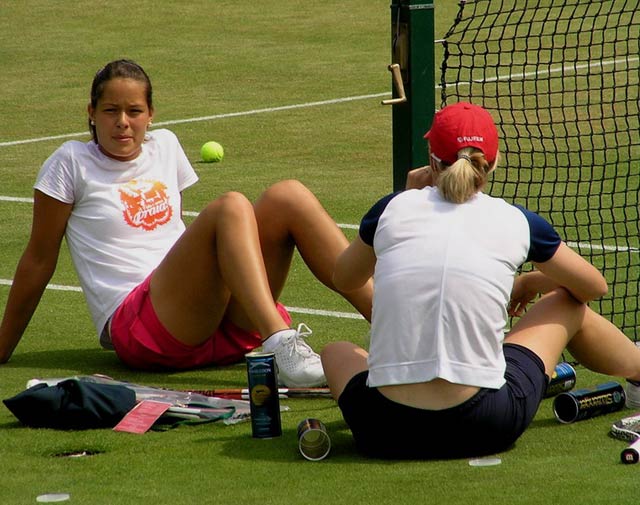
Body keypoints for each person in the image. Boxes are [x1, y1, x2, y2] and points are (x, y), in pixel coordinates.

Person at [0, 59, 372, 388]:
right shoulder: (70, 162)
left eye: (134, 111)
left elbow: (186, 243)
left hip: (214, 325)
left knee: (287, 195)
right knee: (231, 206)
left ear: (151, 114)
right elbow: (38, 260)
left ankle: (397, 322)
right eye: (111, 110)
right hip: (142, 330)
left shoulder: (166, 146)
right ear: (91, 112)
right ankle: (279, 342)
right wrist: (2, 347)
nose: (123, 123)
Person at [320, 101, 640, 459]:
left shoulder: (390, 209)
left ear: (431, 158)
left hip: (384, 430)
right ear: (493, 160)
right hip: (486, 424)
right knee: (566, 302)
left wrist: (404, 198)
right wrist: (536, 281)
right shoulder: (518, 221)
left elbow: (344, 278)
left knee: (336, 351)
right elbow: (593, 288)